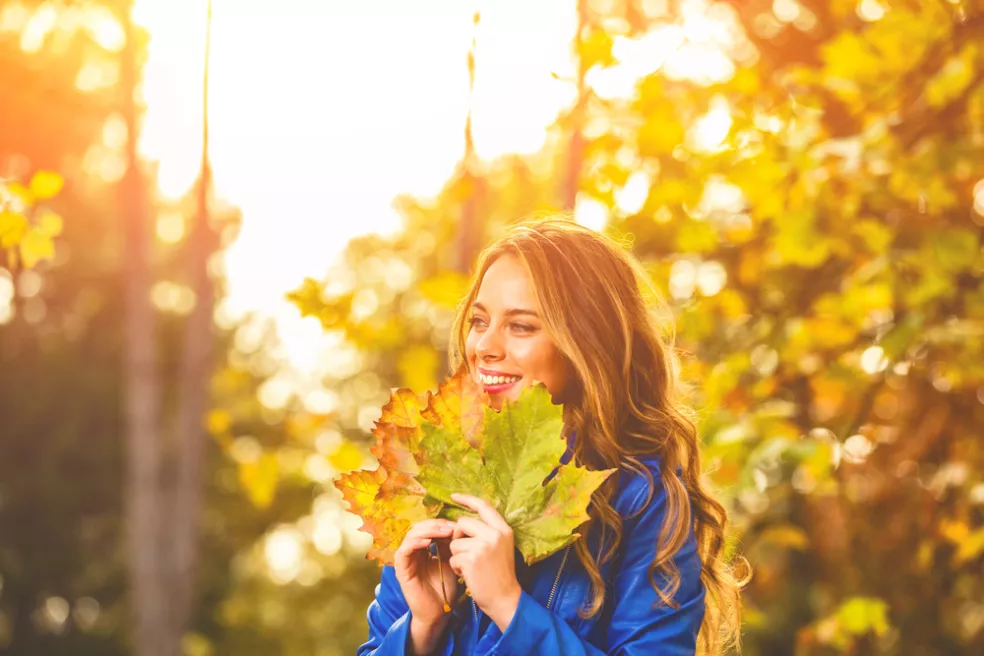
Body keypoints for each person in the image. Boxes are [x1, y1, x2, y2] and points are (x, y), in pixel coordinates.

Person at [358, 218, 747, 655]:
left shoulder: (644, 500)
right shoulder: (435, 475)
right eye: (479, 320)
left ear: (585, 342)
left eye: (521, 326)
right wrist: (423, 628)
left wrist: (510, 607)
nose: (485, 345)